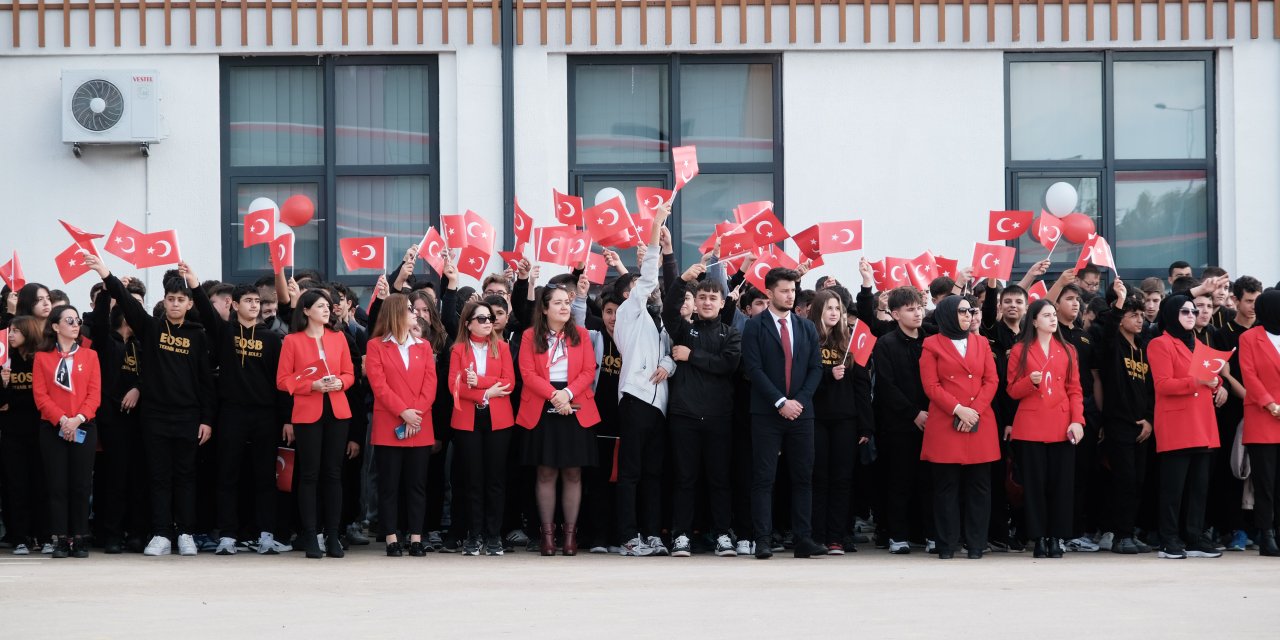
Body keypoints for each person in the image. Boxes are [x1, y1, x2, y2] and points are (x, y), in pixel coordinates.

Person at [86, 254, 214, 557]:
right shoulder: (151, 328)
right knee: (157, 477)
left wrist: (206, 419)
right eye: (170, 299)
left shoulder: (198, 336)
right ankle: (161, 534)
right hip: (155, 416)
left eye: (181, 299)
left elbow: (206, 383)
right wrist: (107, 274)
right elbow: (127, 304)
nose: (174, 304)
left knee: (185, 477)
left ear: (189, 303)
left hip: (188, 416)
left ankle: (185, 533)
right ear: (164, 301)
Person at [181, 264, 293, 556]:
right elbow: (205, 310)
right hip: (231, 413)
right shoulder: (224, 332)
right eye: (249, 301)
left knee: (264, 477)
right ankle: (228, 535)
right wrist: (194, 283)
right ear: (235, 305)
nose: (255, 305)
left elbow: (280, 383)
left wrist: (287, 419)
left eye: (258, 301)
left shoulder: (272, 338)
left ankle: (266, 534)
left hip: (265, 415)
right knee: (227, 475)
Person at [741, 267, 826, 560]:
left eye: (793, 290)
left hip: (802, 413)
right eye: (784, 291)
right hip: (766, 413)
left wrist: (798, 402)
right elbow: (753, 369)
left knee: (803, 477)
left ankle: (803, 538)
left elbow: (816, 368)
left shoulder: (806, 327)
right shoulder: (754, 326)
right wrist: (780, 402)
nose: (790, 296)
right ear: (769, 292)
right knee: (764, 478)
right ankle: (763, 539)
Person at [663, 262, 743, 557]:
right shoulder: (684, 330)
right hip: (684, 415)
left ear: (723, 303)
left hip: (719, 417)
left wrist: (691, 355)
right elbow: (668, 311)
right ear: (695, 303)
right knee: (685, 478)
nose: (707, 302)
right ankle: (681, 534)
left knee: (719, 478)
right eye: (702, 298)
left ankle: (723, 533)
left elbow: (727, 365)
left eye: (713, 298)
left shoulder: (731, 335)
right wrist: (682, 280)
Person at [517, 284, 601, 556]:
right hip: (543, 402)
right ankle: (547, 535)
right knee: (546, 471)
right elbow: (527, 374)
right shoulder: (530, 336)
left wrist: (566, 394)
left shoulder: (582, 335)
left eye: (567, 302)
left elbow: (589, 370)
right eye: (558, 303)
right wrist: (555, 395)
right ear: (544, 308)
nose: (565, 307)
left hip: (574, 400)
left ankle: (569, 536)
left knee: (573, 471)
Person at [612, 203, 677, 557]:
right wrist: (655, 228)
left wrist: (669, 363)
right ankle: (628, 535)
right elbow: (650, 276)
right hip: (636, 398)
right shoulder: (629, 313)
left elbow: (669, 352)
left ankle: (652, 533)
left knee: (654, 473)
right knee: (631, 472)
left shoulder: (658, 319)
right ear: (628, 293)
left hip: (660, 404)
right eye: (639, 286)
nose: (648, 289)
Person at [918, 296, 1000, 559]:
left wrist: (974, 411)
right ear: (947, 314)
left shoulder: (981, 342)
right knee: (946, 486)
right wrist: (958, 409)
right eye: (963, 311)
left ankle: (976, 544)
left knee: (979, 486)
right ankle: (946, 543)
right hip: (946, 420)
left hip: (979, 419)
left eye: (971, 310)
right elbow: (931, 385)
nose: (969, 315)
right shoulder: (932, 344)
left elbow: (991, 379)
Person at [277, 288, 356, 560]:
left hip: (337, 411)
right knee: (309, 475)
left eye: (328, 305)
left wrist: (340, 382)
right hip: (308, 412)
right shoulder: (292, 341)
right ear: (306, 310)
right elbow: (283, 380)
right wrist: (310, 385)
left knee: (333, 474)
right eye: (321, 305)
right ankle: (310, 535)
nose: (327, 309)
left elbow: (350, 373)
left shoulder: (340, 338)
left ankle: (333, 534)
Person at [1006, 299, 1086, 558]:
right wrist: (1030, 382)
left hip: (1062, 424)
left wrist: (1078, 420)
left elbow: (1075, 389)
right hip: (1030, 426)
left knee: (1061, 485)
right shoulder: (1020, 350)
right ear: (1034, 320)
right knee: (1035, 485)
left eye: (1054, 315)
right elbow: (1012, 390)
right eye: (1047, 315)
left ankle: (1057, 537)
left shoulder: (1068, 349)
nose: (1053, 319)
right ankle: (1039, 537)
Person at [1148, 295, 1223, 559]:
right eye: (1185, 311)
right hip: (1177, 423)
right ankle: (1169, 539)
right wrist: (1198, 382)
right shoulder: (1160, 344)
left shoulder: (1199, 343)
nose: (1192, 315)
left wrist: (1216, 384)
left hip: (1202, 422)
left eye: (1194, 311)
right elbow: (1163, 384)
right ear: (1170, 314)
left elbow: (1208, 378)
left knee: (1199, 486)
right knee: (1173, 488)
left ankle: (1193, 536)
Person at [365, 293, 437, 558]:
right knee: (389, 485)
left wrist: (414, 414)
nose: (414, 312)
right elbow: (379, 386)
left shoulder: (424, 346)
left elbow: (430, 384)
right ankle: (392, 537)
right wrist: (403, 412)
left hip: (419, 423)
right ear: (396, 313)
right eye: (409, 309)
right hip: (390, 424)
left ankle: (416, 537)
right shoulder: (376, 346)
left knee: (417, 484)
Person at [31, 305, 101, 558]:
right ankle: (60, 537)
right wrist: (62, 420)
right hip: (53, 427)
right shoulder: (42, 357)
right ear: (55, 326)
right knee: (57, 485)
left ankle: (80, 536)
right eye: (69, 320)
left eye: (77, 320)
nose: (75, 324)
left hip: (84, 425)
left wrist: (77, 419)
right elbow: (40, 396)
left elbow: (94, 394)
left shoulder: (89, 355)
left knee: (81, 485)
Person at [448, 300, 516, 556]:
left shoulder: (503, 348)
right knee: (472, 480)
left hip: (498, 420)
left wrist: (482, 384)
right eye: (482, 318)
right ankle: (474, 535)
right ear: (468, 323)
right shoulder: (457, 350)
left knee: (496, 480)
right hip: (468, 420)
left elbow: (509, 383)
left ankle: (493, 535)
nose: (488, 322)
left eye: (489, 318)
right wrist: (486, 393)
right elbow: (454, 387)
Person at [807, 290, 872, 555]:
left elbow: (861, 387)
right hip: (816, 419)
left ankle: (838, 535)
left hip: (846, 420)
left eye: (838, 309)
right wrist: (826, 375)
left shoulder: (850, 342)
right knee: (818, 478)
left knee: (843, 479)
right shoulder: (809, 338)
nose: (834, 313)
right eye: (829, 308)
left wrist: (866, 426)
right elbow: (801, 378)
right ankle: (818, 535)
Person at [86, 278, 147, 554]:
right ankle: (110, 534)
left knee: (138, 478)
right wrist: (108, 287)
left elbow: (156, 375)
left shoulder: (143, 343)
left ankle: (136, 533)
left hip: (141, 420)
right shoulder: (104, 340)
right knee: (113, 478)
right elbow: (98, 322)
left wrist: (137, 387)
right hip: (111, 420)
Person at [1093, 284, 1155, 554]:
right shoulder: (1113, 345)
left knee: (1139, 481)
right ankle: (1121, 535)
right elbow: (1108, 331)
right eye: (1134, 315)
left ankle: (1130, 532)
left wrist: (1149, 419)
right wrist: (1119, 302)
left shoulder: (1142, 348)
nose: (1140, 319)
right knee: (1124, 480)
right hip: (1118, 423)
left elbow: (1151, 389)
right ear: (1121, 319)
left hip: (1142, 425)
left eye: (1142, 315)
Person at [872, 287, 934, 554]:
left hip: (933, 421)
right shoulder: (886, 344)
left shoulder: (931, 339)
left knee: (929, 480)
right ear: (895, 314)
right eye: (910, 309)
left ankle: (929, 534)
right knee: (899, 480)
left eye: (919, 307)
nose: (917, 312)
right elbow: (886, 385)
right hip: (898, 424)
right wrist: (913, 413)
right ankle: (898, 536)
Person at [0, 316, 47, 555]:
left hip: (39, 432)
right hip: (12, 434)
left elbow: (41, 398)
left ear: (28, 333)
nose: (10, 335)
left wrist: (15, 402)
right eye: (9, 331)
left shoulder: (40, 359)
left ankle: (42, 535)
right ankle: (20, 537)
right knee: (17, 486)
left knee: (41, 485)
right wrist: (4, 384)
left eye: (16, 331)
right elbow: (3, 405)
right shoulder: (5, 362)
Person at [1239, 290, 1280, 557]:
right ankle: (1266, 534)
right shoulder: (1249, 338)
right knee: (1265, 484)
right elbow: (1249, 376)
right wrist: (1271, 404)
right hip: (1264, 418)